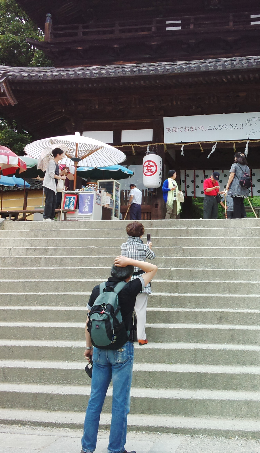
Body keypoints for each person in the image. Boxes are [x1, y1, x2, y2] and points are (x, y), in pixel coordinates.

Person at [81, 256, 158, 453]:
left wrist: (88, 347)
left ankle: (87, 448)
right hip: (122, 350)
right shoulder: (129, 288)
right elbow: (152, 268)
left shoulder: (98, 289)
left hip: (99, 350)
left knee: (95, 400)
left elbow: (88, 321)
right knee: (119, 403)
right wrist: (129, 260)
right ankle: (115, 449)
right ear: (129, 275)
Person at [120, 221, 155, 345]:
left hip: (127, 280)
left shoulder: (124, 246)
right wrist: (149, 247)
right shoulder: (144, 247)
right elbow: (152, 256)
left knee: (127, 309)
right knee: (140, 310)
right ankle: (141, 337)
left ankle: (127, 335)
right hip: (141, 280)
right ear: (141, 233)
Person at [224, 152, 251, 219]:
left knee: (236, 202)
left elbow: (232, 175)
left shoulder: (235, 165)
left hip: (236, 186)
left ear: (237, 158)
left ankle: (237, 216)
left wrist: (227, 185)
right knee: (241, 201)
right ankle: (243, 215)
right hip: (244, 186)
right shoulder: (247, 167)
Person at [43, 147, 66, 221]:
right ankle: (46, 216)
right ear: (58, 155)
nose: (62, 156)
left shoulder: (56, 164)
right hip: (49, 185)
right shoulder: (52, 162)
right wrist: (61, 177)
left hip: (53, 186)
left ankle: (51, 216)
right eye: (61, 155)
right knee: (49, 201)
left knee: (54, 201)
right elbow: (52, 174)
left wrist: (62, 173)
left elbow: (56, 174)